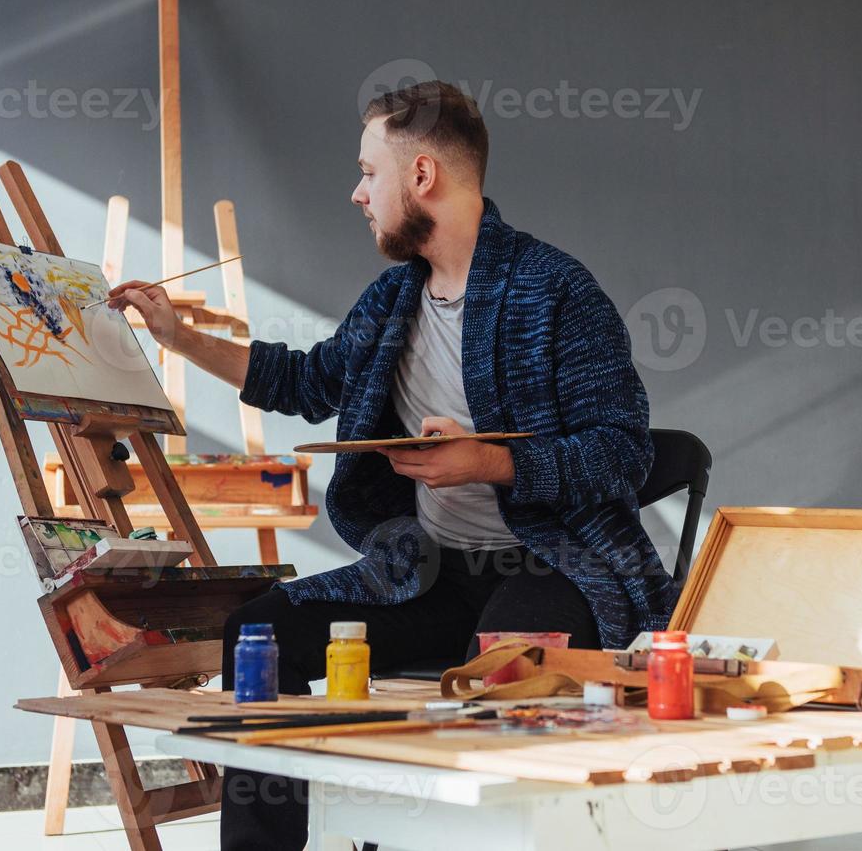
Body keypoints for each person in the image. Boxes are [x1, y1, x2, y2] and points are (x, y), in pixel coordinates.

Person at [107, 79, 675, 850]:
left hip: (550, 567)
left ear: (421, 177)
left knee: (501, 676)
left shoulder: (555, 292)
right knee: (259, 633)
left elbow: (622, 453)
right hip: (428, 571)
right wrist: (177, 336)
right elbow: (305, 382)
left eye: (368, 171)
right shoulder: (390, 300)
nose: (356, 192)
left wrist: (491, 464)